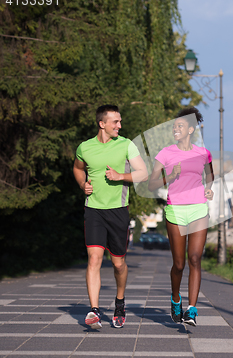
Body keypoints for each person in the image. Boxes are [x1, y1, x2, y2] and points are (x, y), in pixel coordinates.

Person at [73, 105, 148, 329]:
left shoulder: (126, 144)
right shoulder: (85, 147)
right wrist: (82, 183)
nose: (120, 126)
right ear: (102, 124)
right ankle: (94, 311)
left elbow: (142, 173)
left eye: (120, 121)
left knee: (118, 263)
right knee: (94, 259)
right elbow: (78, 168)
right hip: (93, 209)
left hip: (118, 210)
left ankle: (120, 302)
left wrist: (120, 176)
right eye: (115, 122)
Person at [148, 107, 214, 326]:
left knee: (195, 258)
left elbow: (209, 174)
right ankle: (175, 298)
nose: (176, 129)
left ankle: (192, 309)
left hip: (198, 209)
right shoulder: (165, 154)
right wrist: (171, 176)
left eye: (180, 126)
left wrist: (209, 188)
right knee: (179, 264)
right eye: (174, 126)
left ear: (191, 130)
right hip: (175, 210)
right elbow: (151, 184)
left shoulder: (203, 153)